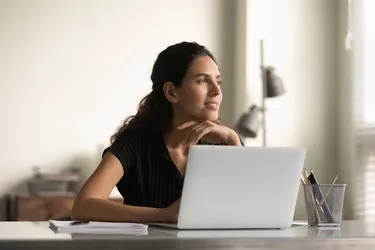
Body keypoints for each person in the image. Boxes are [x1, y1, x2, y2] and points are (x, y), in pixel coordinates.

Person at [72, 41, 243, 223]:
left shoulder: (226, 143)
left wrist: (233, 139)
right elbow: (83, 206)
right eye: (202, 81)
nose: (217, 91)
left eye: (218, 81)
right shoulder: (135, 143)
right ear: (171, 92)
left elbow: (248, 205)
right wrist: (163, 215)